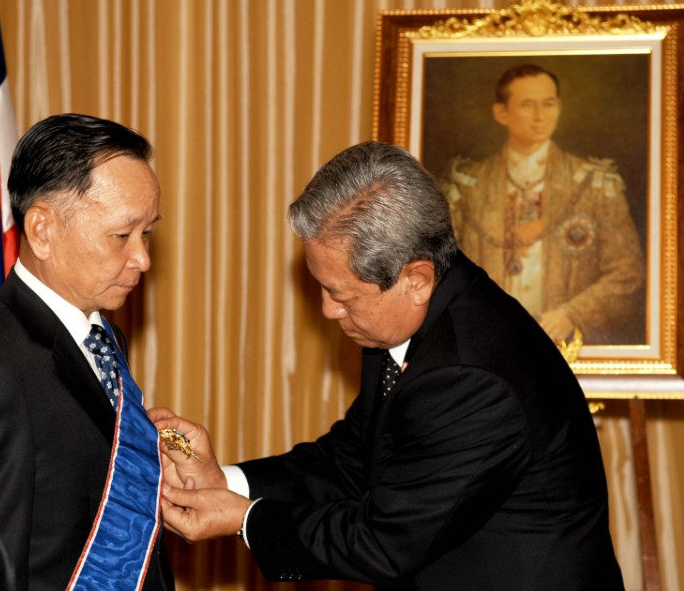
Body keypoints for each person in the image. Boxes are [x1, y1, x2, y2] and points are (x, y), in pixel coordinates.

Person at [150, 141, 625, 589]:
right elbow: (354, 459)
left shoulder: (469, 376)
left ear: (416, 279)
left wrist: (244, 518)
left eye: (341, 294)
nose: (328, 310)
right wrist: (226, 482)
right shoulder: (411, 322)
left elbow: (385, 541)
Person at [0, 113, 174, 589]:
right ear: (42, 230)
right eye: (121, 236)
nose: (143, 258)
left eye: (147, 233)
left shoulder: (104, 337)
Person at [441, 64, 644, 344]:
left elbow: (627, 273)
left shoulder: (595, 185)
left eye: (548, 104)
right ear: (501, 113)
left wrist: (573, 314)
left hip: (567, 350)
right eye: (527, 105)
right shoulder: (466, 187)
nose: (540, 116)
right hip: (486, 346)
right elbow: (441, 273)